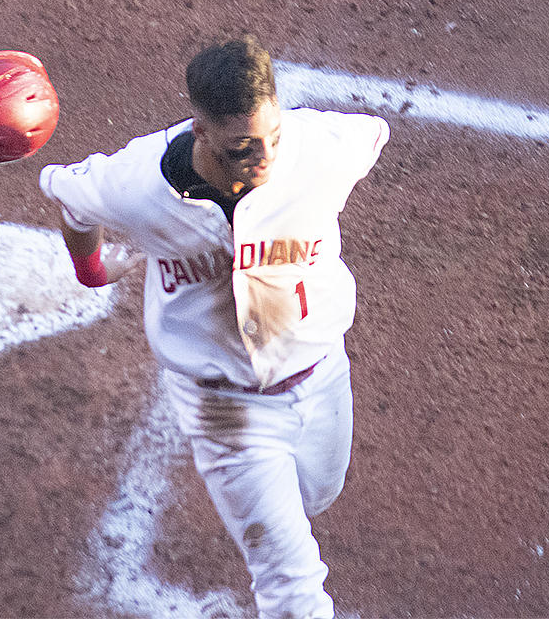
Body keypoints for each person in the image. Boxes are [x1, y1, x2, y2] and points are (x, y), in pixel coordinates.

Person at [39, 36, 389, 619]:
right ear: (199, 131)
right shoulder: (137, 185)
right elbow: (70, 198)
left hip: (322, 372)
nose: (264, 159)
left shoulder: (323, 148)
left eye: (272, 137)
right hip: (224, 408)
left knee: (315, 496)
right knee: (291, 585)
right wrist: (93, 270)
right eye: (243, 147)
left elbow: (372, 135)